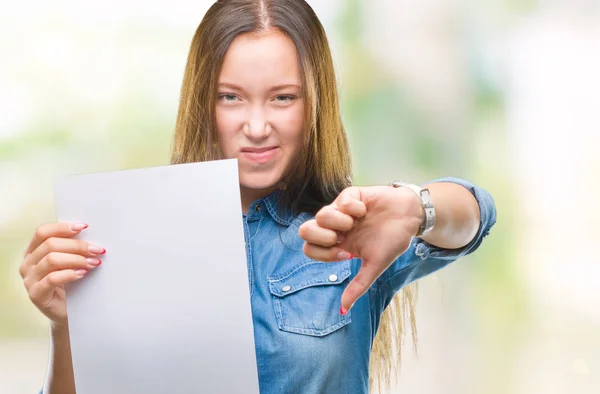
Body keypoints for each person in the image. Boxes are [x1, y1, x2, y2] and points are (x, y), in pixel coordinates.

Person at [20, 0, 496, 393]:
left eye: (282, 97)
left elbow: (477, 215)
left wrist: (418, 206)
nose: (256, 126)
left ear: (316, 101)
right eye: (231, 97)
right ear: (204, 103)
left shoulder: (351, 228)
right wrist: (68, 326)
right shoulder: (134, 237)